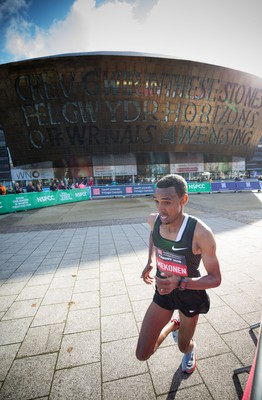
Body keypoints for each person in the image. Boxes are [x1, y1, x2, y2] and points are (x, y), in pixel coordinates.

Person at [136, 174, 221, 374]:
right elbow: (153, 234)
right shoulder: (154, 220)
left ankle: (191, 350)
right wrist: (150, 260)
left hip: (189, 294)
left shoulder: (201, 233)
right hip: (164, 292)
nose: (160, 209)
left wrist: (180, 283)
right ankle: (173, 325)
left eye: (167, 202)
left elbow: (215, 279)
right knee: (142, 354)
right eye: (157, 201)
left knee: (183, 346)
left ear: (183, 199)